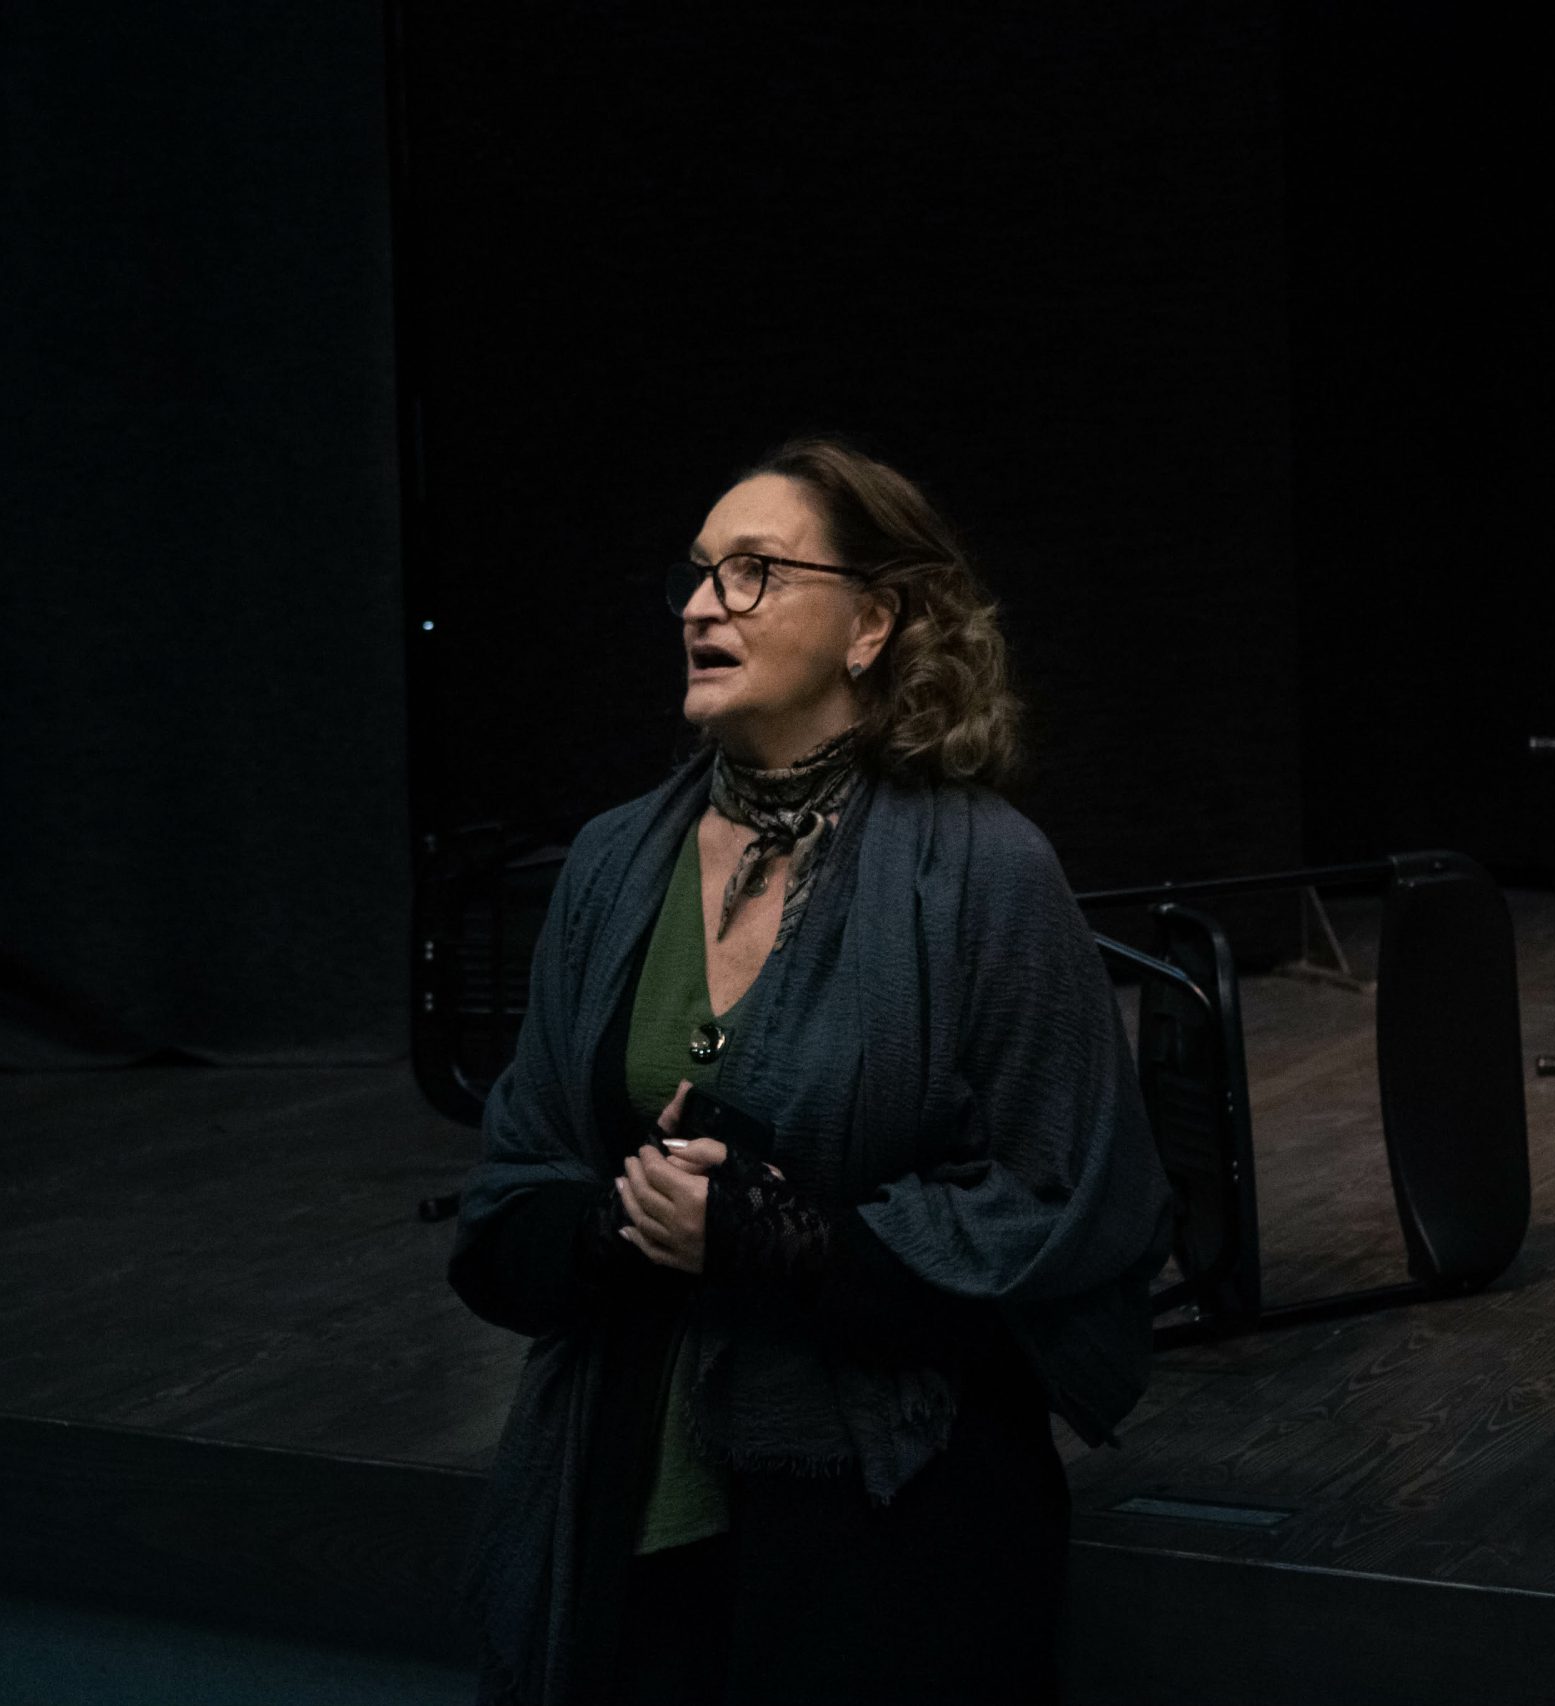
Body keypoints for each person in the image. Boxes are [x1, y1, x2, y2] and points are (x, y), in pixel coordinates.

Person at [447, 435, 1172, 1706]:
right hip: (629, 1497)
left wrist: (773, 1240)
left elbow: (1064, 1211)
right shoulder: (613, 864)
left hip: (890, 1530)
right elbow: (513, 1190)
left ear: (870, 624)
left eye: (753, 571)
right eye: (695, 573)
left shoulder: (983, 869)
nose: (699, 606)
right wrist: (623, 1225)